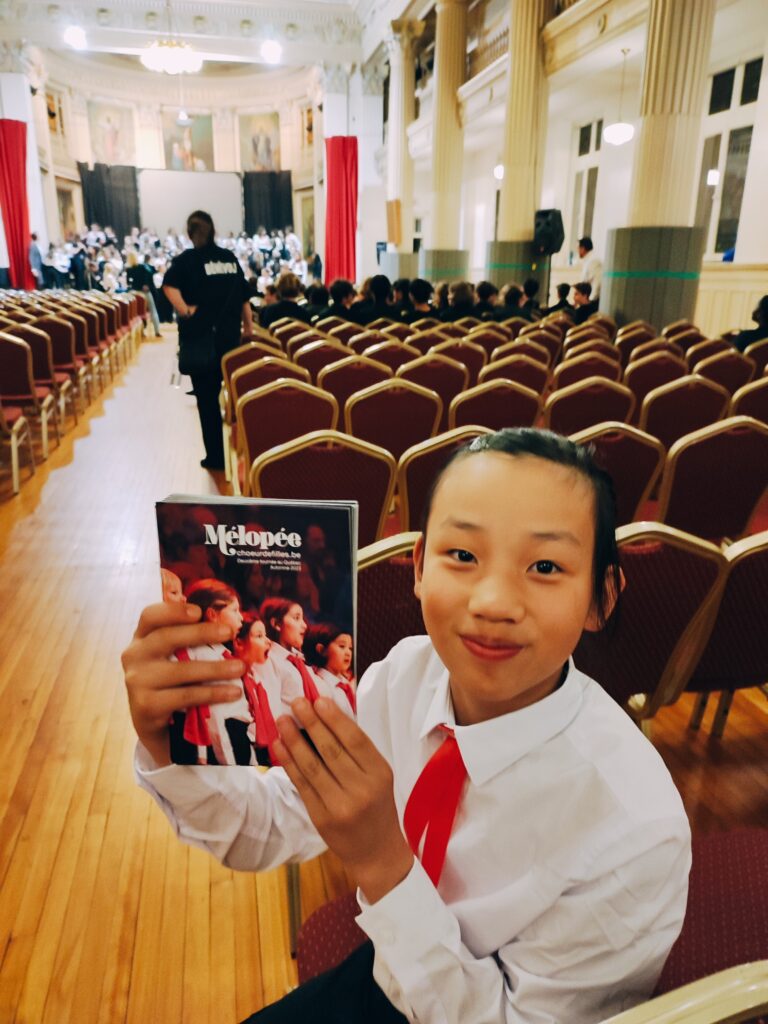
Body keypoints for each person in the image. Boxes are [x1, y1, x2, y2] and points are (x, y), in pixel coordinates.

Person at [124, 427, 691, 1024]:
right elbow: (267, 825)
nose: (493, 602)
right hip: (392, 969)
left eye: (545, 565)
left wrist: (381, 863)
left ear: (602, 597)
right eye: (463, 555)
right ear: (419, 566)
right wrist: (166, 742)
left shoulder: (634, 827)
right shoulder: (404, 676)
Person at [163, 210, 253, 470]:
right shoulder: (229, 259)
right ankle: (244, 454)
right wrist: (248, 327)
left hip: (200, 342)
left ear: (190, 233)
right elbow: (244, 298)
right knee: (236, 398)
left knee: (207, 401)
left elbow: (168, 286)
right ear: (213, 231)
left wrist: (186, 311)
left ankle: (215, 457)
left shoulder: (187, 261)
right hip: (230, 340)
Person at [168, 579, 254, 767]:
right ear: (213, 614)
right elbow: (212, 717)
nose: (241, 618)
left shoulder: (222, 653)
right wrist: (228, 764)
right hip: (225, 743)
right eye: (234, 610)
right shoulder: (203, 655)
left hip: (239, 737)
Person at [259, 597, 335, 708]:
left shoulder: (301, 660)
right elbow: (272, 708)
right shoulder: (269, 660)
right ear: (276, 624)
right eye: (296, 618)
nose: (304, 625)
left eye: (302, 619)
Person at [232, 615, 285, 766]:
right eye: (259, 636)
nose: (268, 642)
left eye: (265, 635)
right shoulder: (234, 679)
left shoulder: (256, 679)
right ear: (239, 643)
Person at [303, 623, 356, 718]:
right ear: (321, 650)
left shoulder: (345, 684)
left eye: (350, 648)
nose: (348, 653)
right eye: (342, 646)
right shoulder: (319, 684)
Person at [577, 236, 602, 301]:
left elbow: (597, 282)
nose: (577, 251)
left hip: (591, 301)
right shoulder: (588, 260)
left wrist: (590, 300)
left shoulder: (594, 260)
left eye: (578, 248)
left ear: (582, 248)